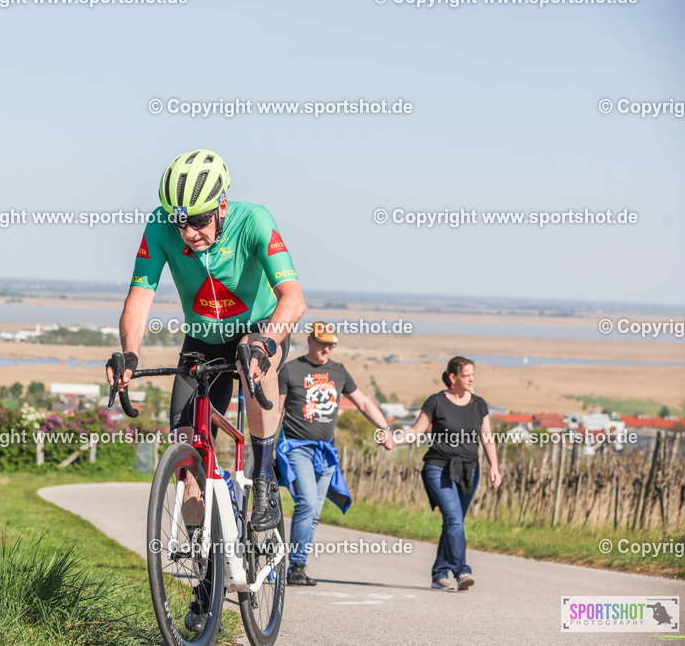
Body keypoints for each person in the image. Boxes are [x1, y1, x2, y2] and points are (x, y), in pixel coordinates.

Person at [105, 149, 306, 631]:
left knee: (263, 368)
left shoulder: (254, 221)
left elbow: (293, 297)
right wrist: (129, 354)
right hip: (202, 338)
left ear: (221, 205)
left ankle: (261, 480)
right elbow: (139, 297)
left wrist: (266, 340)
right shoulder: (159, 226)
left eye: (197, 220)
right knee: (184, 450)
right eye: (180, 222)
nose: (189, 233)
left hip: (259, 329)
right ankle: (207, 578)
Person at [275, 321, 394, 586]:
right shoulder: (291, 370)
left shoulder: (339, 372)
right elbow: (278, 411)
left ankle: (299, 565)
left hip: (326, 452)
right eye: (322, 343)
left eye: (331, 344)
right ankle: (295, 566)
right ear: (310, 340)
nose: (326, 349)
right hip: (297, 448)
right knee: (305, 503)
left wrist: (385, 428)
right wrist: (267, 446)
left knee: (315, 511)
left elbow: (362, 402)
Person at [391, 356, 501, 591]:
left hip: (469, 470)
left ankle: (439, 574)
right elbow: (416, 431)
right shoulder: (436, 402)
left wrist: (494, 466)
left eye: (473, 374)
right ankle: (462, 570)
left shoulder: (479, 404)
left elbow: (487, 437)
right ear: (453, 377)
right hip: (438, 468)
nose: (472, 379)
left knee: (455, 523)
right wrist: (394, 440)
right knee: (453, 519)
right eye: (467, 375)